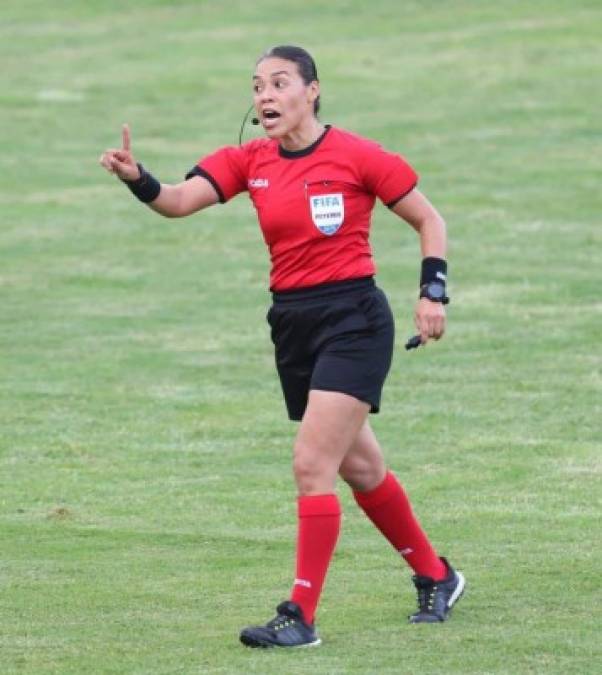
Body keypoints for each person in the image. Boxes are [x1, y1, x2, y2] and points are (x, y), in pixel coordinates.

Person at [99, 44, 465, 649]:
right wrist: (139, 179)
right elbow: (179, 201)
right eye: (257, 86)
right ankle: (436, 575)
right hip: (293, 325)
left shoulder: (358, 155)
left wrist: (433, 293)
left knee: (310, 464)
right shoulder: (250, 160)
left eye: (278, 83)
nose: (264, 96)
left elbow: (431, 220)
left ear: (312, 91)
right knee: (361, 466)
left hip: (354, 319)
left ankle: (299, 615)